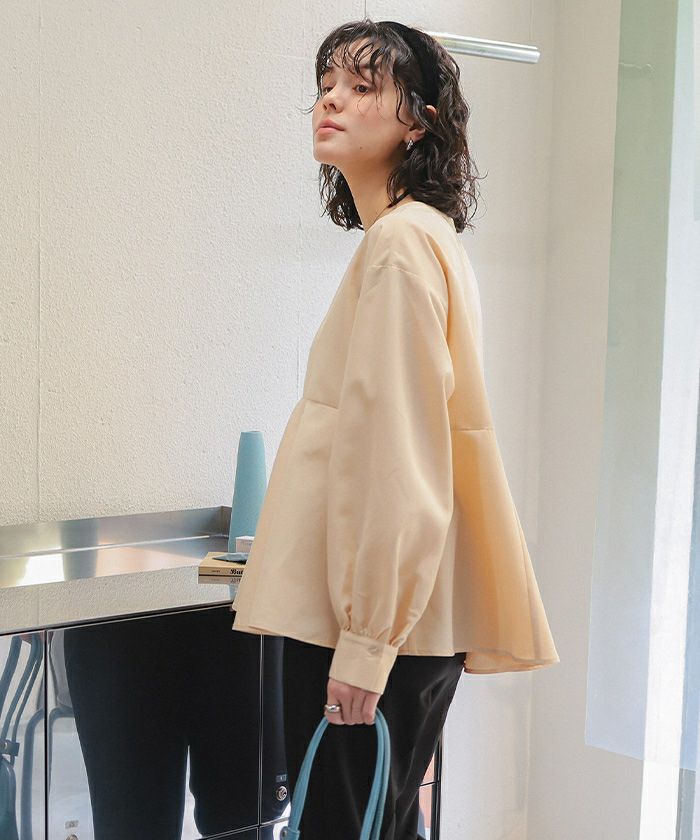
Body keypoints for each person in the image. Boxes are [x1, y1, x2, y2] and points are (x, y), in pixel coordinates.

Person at [231, 18, 560, 839]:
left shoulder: (400, 247)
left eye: (362, 85)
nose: (331, 100)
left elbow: (396, 460)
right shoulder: (419, 237)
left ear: (419, 121)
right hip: (401, 624)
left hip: (374, 630)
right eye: (326, 84)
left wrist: (367, 642)